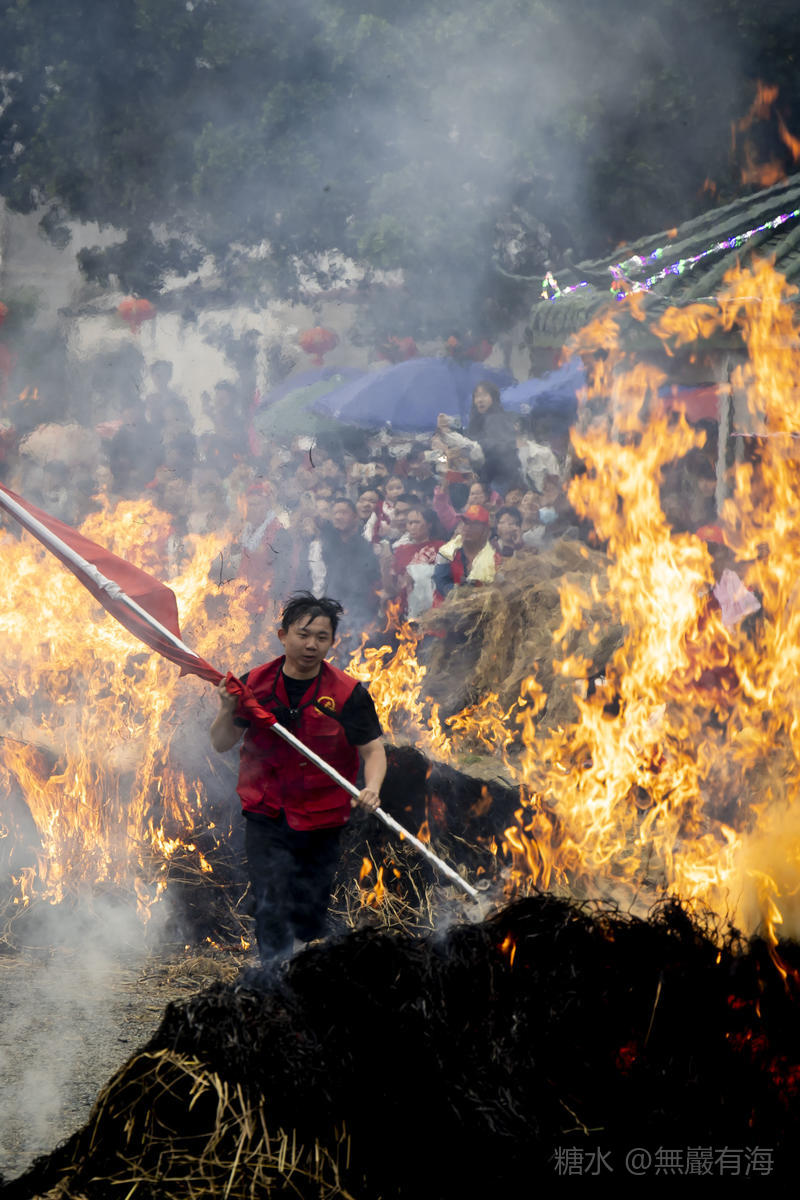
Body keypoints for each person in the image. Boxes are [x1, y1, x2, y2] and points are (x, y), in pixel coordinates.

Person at [210, 593, 386, 965]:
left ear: (332, 642)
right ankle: (273, 977)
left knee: (309, 912)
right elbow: (222, 742)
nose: (311, 645)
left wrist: (372, 788)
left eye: (321, 637)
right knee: (270, 899)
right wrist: (226, 709)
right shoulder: (254, 685)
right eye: (303, 635)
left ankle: (303, 956)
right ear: (283, 635)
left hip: (322, 817)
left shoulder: (347, 693)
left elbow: (372, 750)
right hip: (266, 812)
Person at [433, 504, 500, 599]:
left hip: (480, 604)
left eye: (474, 524)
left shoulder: (494, 558)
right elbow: (441, 582)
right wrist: (462, 593)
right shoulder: (446, 552)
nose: (467, 528)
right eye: (465, 522)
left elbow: (496, 587)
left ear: (485, 531)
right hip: (447, 604)